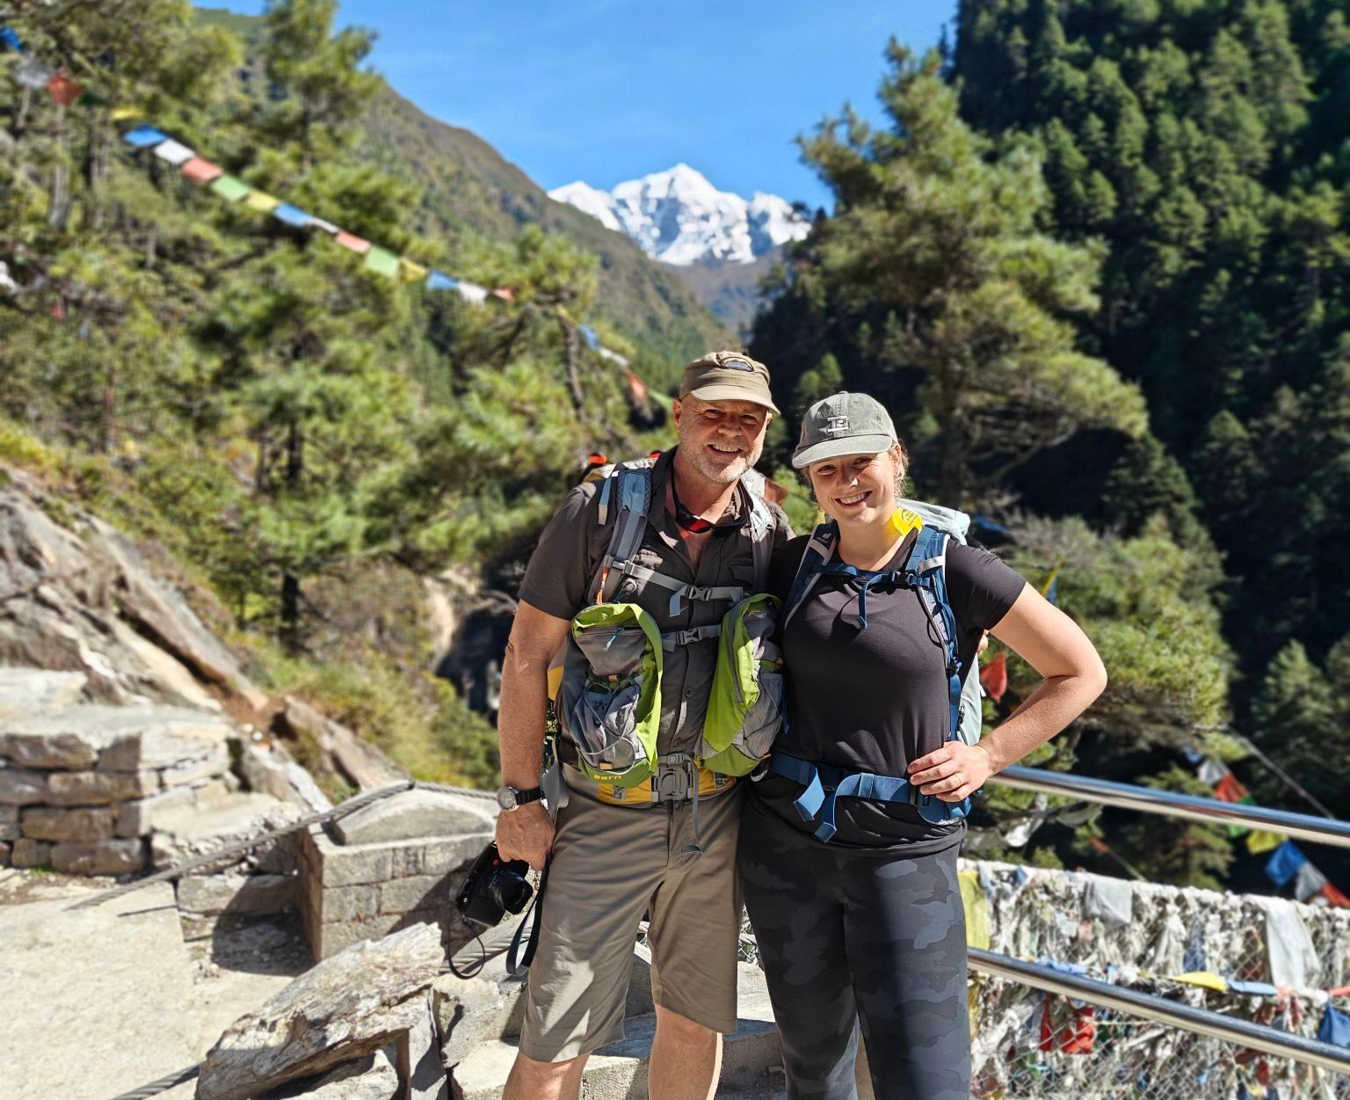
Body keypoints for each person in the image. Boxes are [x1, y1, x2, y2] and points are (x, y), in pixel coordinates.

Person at [739, 392, 1107, 1100]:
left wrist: (988, 756)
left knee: (927, 1081)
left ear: (897, 460)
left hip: (904, 855)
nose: (847, 484)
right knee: (813, 1073)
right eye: (827, 471)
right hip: (787, 849)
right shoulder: (791, 567)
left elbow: (1080, 671)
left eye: (862, 464)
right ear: (811, 484)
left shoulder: (958, 572)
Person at [494, 351, 793, 1100]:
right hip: (602, 813)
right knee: (556, 1034)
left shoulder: (768, 523)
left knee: (694, 1022)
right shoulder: (599, 511)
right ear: (679, 412)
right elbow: (527, 657)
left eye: (748, 420)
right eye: (715, 413)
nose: (731, 432)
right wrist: (519, 801)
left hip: (716, 812)